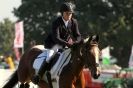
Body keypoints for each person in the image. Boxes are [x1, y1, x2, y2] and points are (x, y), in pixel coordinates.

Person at [32, 2, 81, 84]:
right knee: (50, 56)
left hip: (65, 44)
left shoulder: (73, 22)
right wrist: (68, 44)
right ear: (62, 13)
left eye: (70, 13)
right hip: (53, 43)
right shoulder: (56, 22)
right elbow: (56, 38)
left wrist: (77, 42)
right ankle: (38, 76)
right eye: (67, 13)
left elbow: (78, 35)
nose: (69, 15)